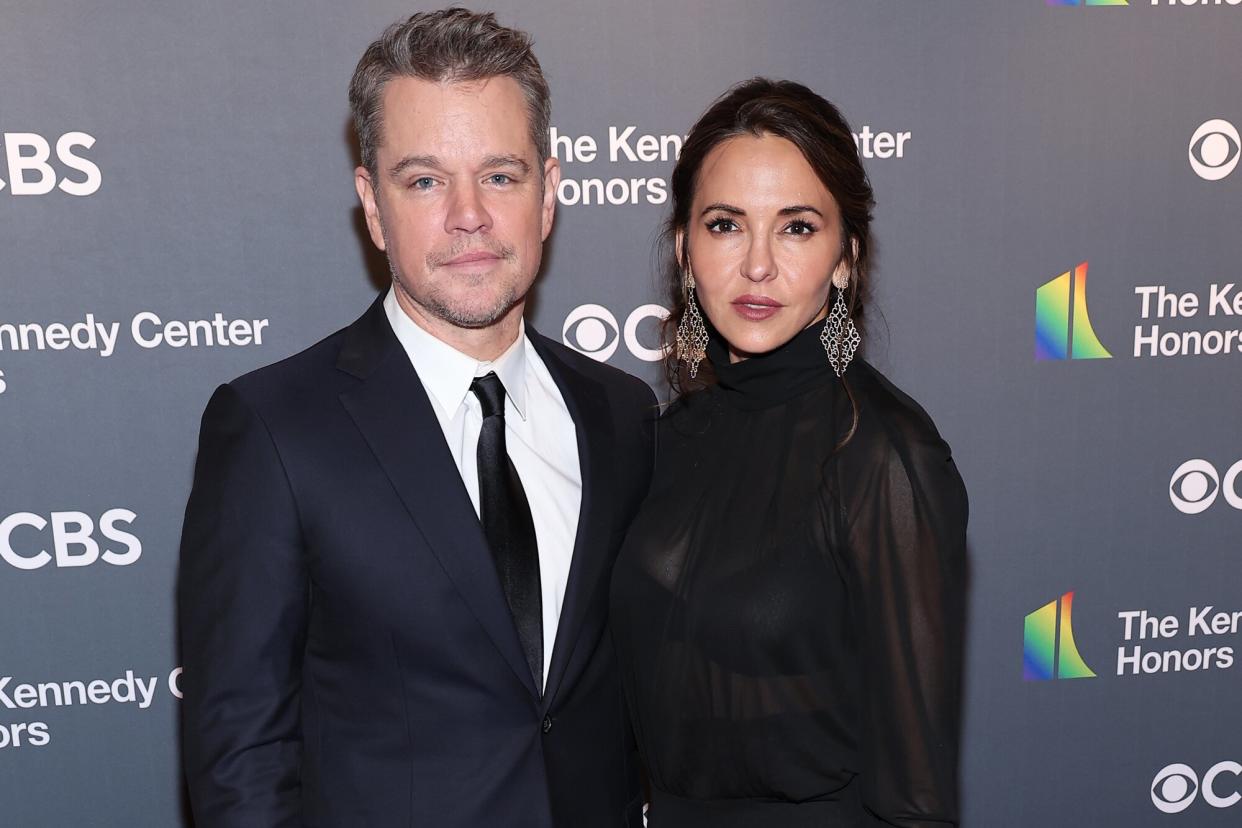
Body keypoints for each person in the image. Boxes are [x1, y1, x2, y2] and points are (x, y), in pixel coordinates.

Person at [178, 9, 653, 827]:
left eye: (501, 175)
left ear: (548, 192)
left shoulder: (622, 413)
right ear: (372, 201)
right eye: (425, 180)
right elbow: (240, 755)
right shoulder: (274, 429)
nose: (468, 214)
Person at [610, 78, 968, 827]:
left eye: (798, 227)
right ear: (684, 247)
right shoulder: (666, 438)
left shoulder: (882, 454)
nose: (760, 265)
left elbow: (917, 796)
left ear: (846, 256)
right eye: (726, 225)